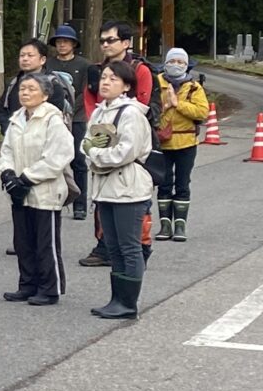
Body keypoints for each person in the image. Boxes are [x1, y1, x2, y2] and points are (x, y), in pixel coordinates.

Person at [78, 20, 155, 268]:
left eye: (110, 40)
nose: (105, 45)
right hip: (103, 133)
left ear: (126, 42)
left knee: (133, 206)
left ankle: (140, 246)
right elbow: (91, 102)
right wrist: (97, 129)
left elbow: (144, 102)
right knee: (102, 200)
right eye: (102, 41)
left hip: (132, 140)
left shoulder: (140, 70)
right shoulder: (95, 70)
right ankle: (104, 246)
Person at [84, 59, 155, 319]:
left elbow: (127, 151)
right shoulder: (100, 112)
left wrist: (96, 155)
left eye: (113, 79)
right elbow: (87, 144)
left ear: (126, 86)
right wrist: (93, 153)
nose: (105, 82)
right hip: (104, 187)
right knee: (112, 247)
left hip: (128, 187)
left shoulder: (132, 113)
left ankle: (128, 303)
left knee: (129, 246)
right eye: (104, 77)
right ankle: (116, 298)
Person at [0, 75, 75, 305]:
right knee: (23, 241)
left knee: (45, 243)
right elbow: (6, 151)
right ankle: (27, 284)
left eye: (32, 89)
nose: (25, 93)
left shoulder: (53, 120)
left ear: (45, 94)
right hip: (19, 192)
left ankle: (50, 288)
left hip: (45, 191)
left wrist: (27, 178)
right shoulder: (16, 119)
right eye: (22, 89)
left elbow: (58, 156)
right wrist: (8, 174)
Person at [153, 48, 209, 242]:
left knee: (183, 184)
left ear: (187, 65)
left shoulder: (194, 87)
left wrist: (178, 104)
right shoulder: (156, 83)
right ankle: (165, 226)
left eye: (180, 62)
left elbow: (202, 112)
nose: (175, 65)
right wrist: (166, 106)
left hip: (186, 142)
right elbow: (148, 111)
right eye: (172, 61)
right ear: (165, 62)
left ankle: (180, 227)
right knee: (164, 183)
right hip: (162, 142)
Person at [41, 25, 90, 220]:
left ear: (73, 44)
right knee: (53, 159)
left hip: (77, 117)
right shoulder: (48, 64)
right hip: (52, 116)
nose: (62, 44)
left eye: (66, 41)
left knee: (78, 160)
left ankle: (80, 204)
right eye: (59, 41)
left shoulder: (84, 65)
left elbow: (86, 91)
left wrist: (71, 110)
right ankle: (57, 199)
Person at [0, 38, 74, 131]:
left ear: (42, 59)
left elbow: (55, 114)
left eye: (30, 55)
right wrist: (9, 129)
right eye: (22, 55)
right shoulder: (13, 83)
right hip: (15, 135)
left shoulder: (52, 84)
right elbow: (1, 109)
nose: (25, 59)